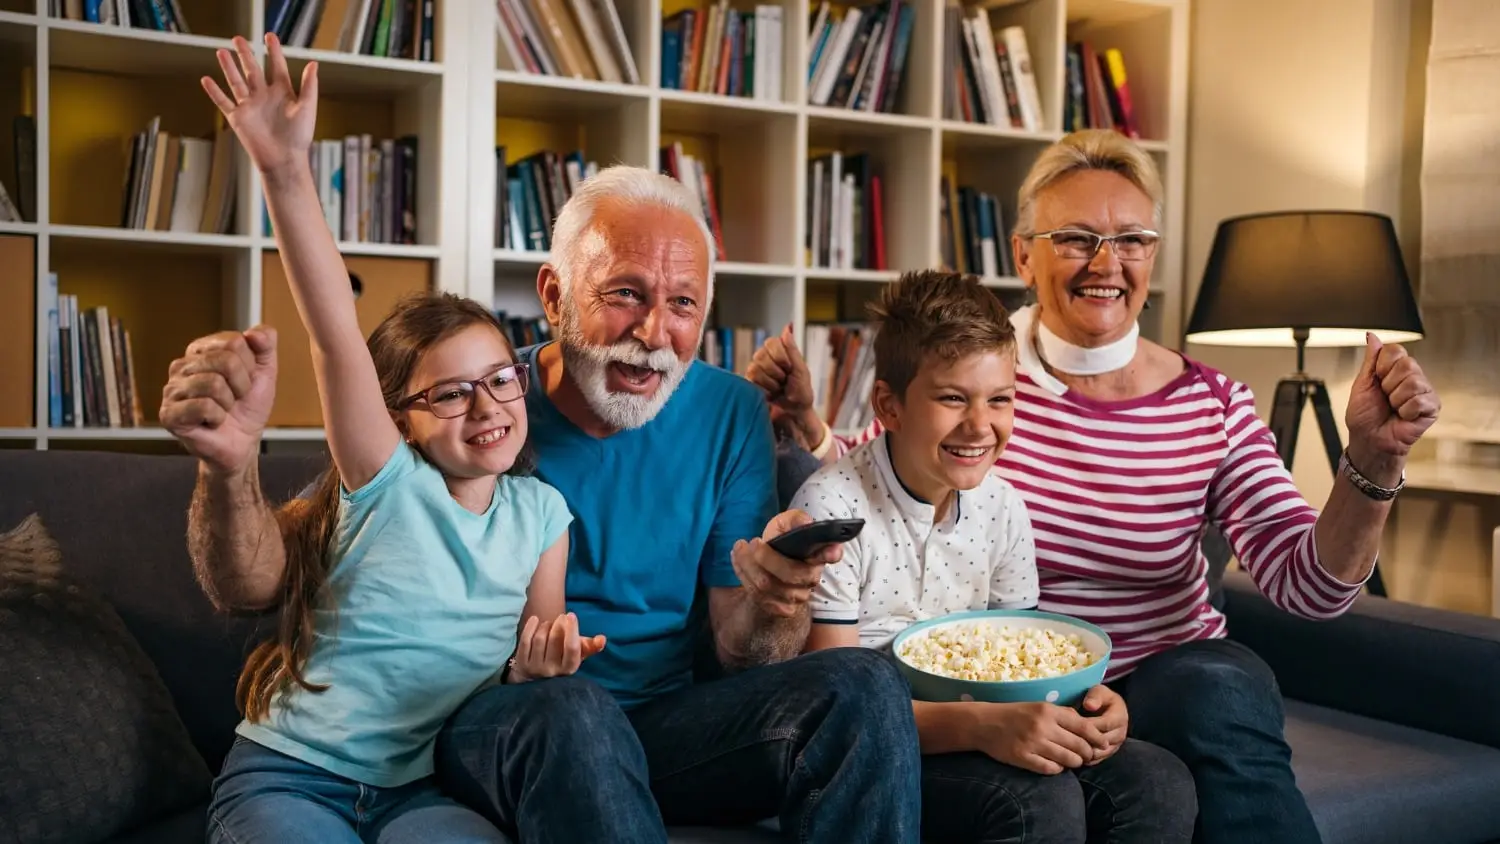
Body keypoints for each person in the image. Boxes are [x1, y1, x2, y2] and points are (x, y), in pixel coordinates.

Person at [164, 40, 922, 844]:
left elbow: (741, 652)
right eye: (625, 295)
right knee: (571, 706)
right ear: (554, 296)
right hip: (502, 727)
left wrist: (775, 600)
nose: (654, 335)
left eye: (684, 305)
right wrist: (285, 174)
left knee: (864, 684)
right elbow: (327, 412)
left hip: (660, 728)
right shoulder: (463, 415)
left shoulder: (703, 426)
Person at [749, 128, 1441, 844]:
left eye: (1133, 239)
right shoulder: (981, 376)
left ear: (1154, 255)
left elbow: (1313, 588)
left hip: (1155, 687)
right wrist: (803, 422)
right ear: (1023, 254)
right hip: (1006, 689)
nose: (1107, 262)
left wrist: (1374, 461)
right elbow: (882, 478)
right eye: (1077, 237)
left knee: (1218, 685)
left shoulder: (1215, 406)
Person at [175, 34, 605, 843]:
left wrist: (539, 666)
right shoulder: (385, 480)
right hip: (291, 774)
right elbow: (335, 331)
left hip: (417, 792)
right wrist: (284, 171)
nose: (485, 405)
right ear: (399, 417)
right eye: (448, 393)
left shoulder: (542, 513)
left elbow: (533, 650)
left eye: (499, 378)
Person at [791, 269, 1197, 844]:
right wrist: (984, 726)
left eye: (1000, 399)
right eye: (953, 398)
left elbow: (1023, 658)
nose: (980, 426)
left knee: (1160, 781)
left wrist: (1087, 707)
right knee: (1039, 800)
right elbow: (837, 714)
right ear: (890, 404)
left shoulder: (1003, 507)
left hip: (987, 723)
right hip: (881, 752)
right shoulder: (831, 508)